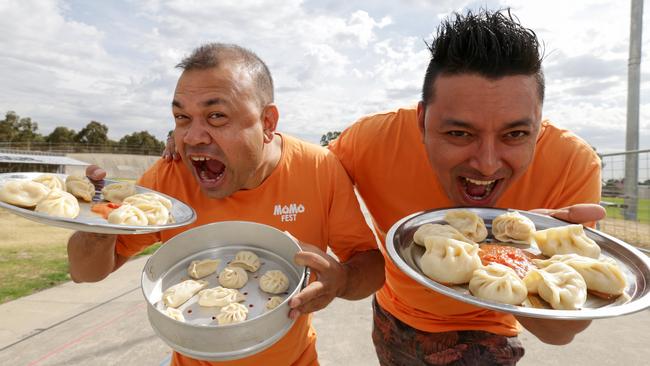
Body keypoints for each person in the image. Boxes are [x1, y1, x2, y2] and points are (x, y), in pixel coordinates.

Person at [67, 43, 385, 366]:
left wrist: (342, 279)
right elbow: (84, 273)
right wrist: (99, 218)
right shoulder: (169, 178)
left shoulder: (318, 169)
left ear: (268, 122)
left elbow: (372, 266)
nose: (192, 137)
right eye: (182, 117)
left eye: (216, 116)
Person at [327, 8, 606, 365]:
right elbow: (311, 175)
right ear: (422, 120)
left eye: (516, 134)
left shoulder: (572, 164)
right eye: (459, 133)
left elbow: (560, 331)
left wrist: (521, 253)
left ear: (539, 126)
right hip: (391, 314)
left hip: (487, 333)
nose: (487, 163)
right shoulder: (371, 141)